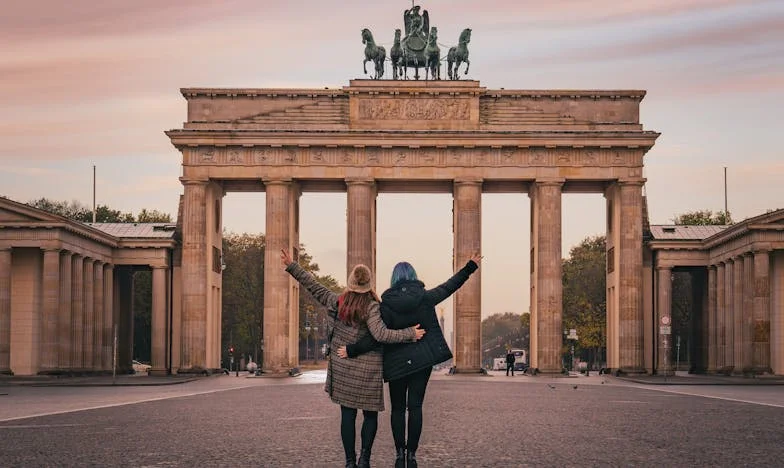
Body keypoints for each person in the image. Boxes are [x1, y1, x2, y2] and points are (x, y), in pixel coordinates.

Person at [280, 249, 425, 468]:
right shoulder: (373, 307)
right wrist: (409, 334)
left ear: (350, 283)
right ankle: (364, 458)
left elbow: (313, 285)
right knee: (369, 416)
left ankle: (349, 461)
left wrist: (293, 265)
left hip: (343, 366)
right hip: (368, 370)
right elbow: (381, 335)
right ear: (369, 284)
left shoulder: (337, 302)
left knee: (347, 415)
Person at [345, 254, 481, 468]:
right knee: (415, 407)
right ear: (414, 277)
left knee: (398, 409)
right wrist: (470, 266)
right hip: (422, 361)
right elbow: (450, 286)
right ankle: (412, 455)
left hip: (396, 363)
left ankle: (400, 453)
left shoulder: (385, 305)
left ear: (393, 279)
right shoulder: (425, 298)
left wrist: (351, 350)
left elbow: (375, 336)